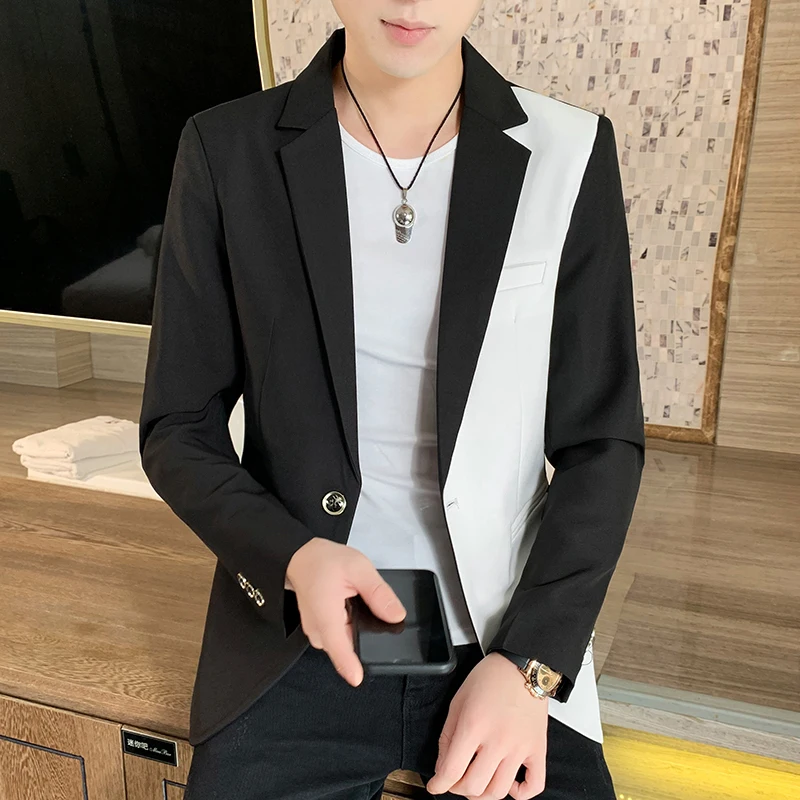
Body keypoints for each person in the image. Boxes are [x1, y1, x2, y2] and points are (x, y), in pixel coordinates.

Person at [138, 2, 645, 798]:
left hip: (505, 635)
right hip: (300, 632)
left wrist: (530, 666)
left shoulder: (569, 149)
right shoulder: (225, 148)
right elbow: (178, 426)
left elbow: (601, 443)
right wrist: (292, 556)